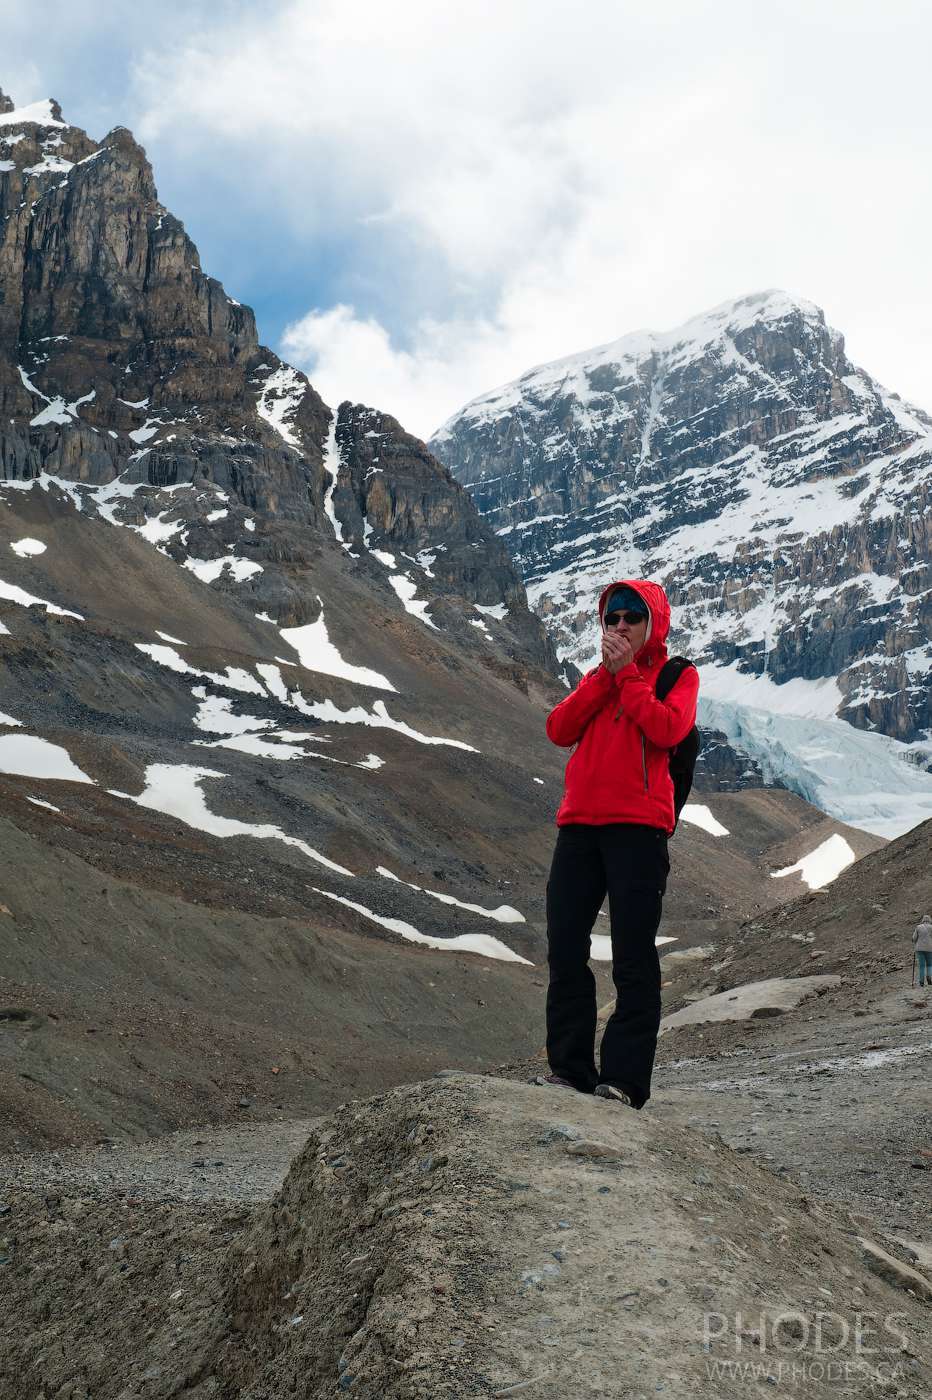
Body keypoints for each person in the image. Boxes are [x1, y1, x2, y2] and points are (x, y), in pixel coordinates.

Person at [538, 579, 699, 1109]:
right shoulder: (597, 678)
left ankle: (625, 1081)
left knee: (632, 956)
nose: (621, 625)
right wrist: (604, 681)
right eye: (612, 618)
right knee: (565, 947)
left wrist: (627, 675)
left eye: (632, 615)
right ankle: (571, 1069)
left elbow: (668, 729)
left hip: (638, 830)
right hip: (580, 826)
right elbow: (559, 728)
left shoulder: (678, 675)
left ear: (654, 622)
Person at [912, 914, 932, 987]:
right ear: (929, 920)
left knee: (922, 966)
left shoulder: (918, 927)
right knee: (929, 965)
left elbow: (914, 938)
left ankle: (921, 982)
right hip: (930, 949)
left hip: (919, 949)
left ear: (923, 920)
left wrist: (914, 941)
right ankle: (929, 978)